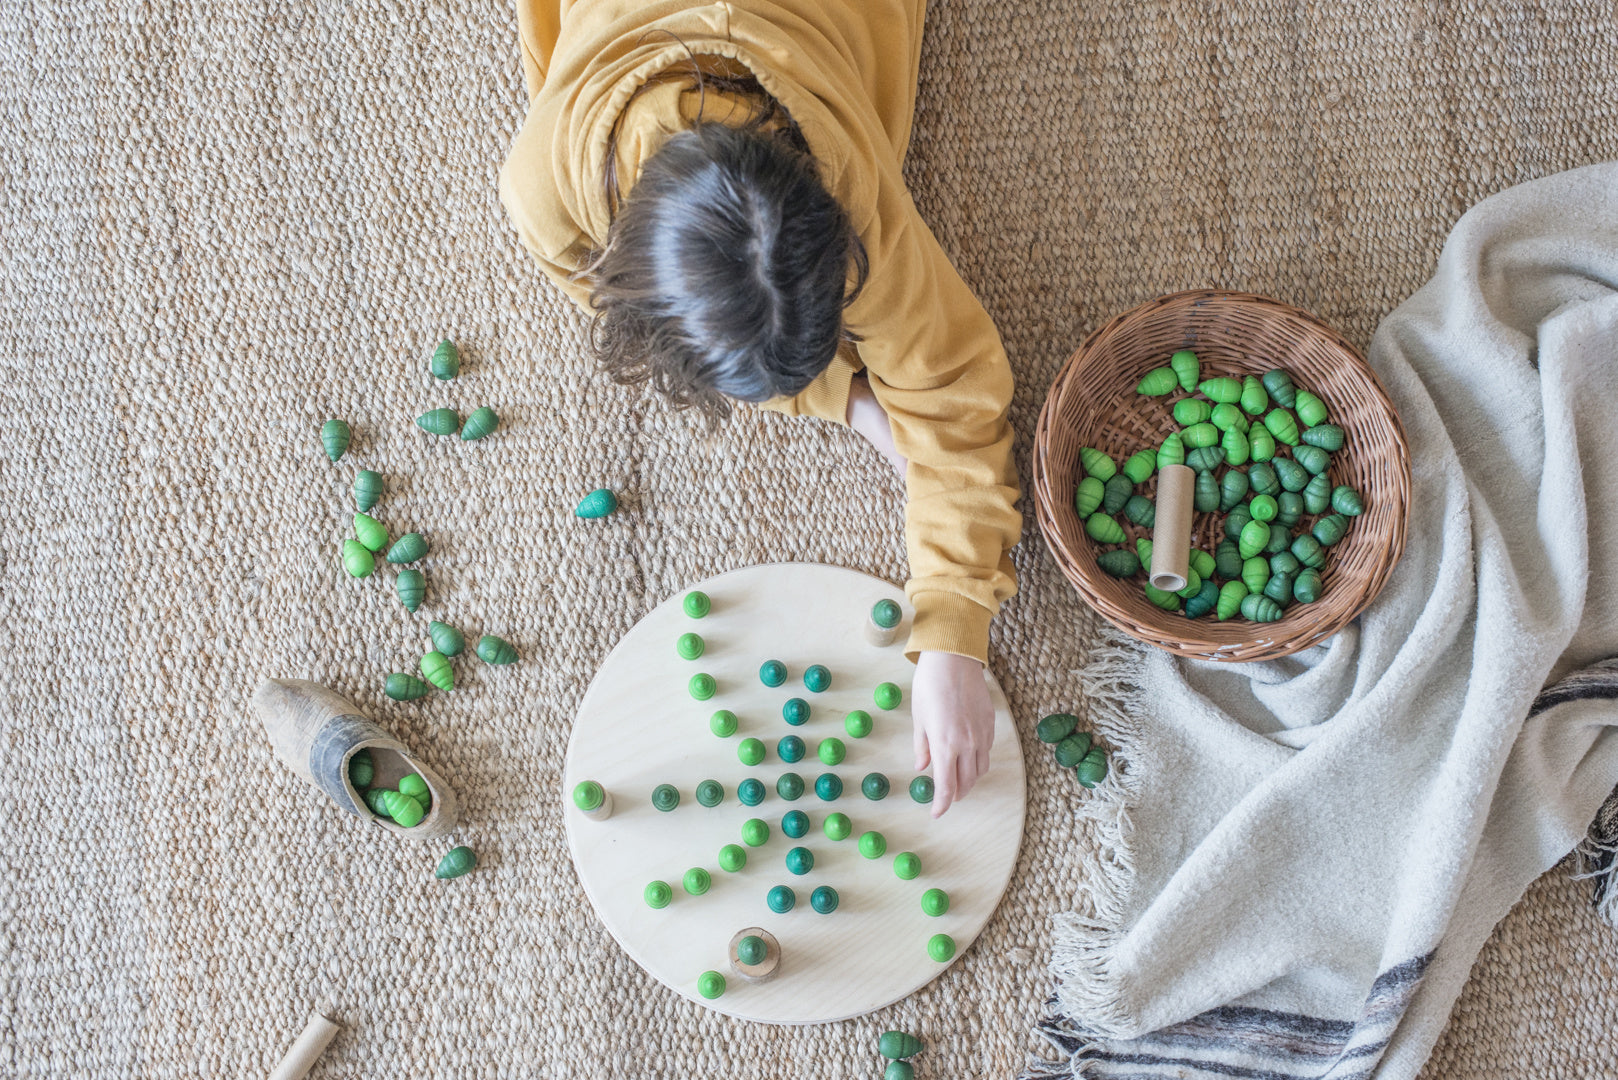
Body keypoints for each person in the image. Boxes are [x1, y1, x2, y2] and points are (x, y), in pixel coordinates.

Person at [499, 0, 1021, 815]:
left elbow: (954, 393)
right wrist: (846, 399)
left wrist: (954, 631)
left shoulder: (856, 201)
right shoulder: (547, 191)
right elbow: (601, 302)